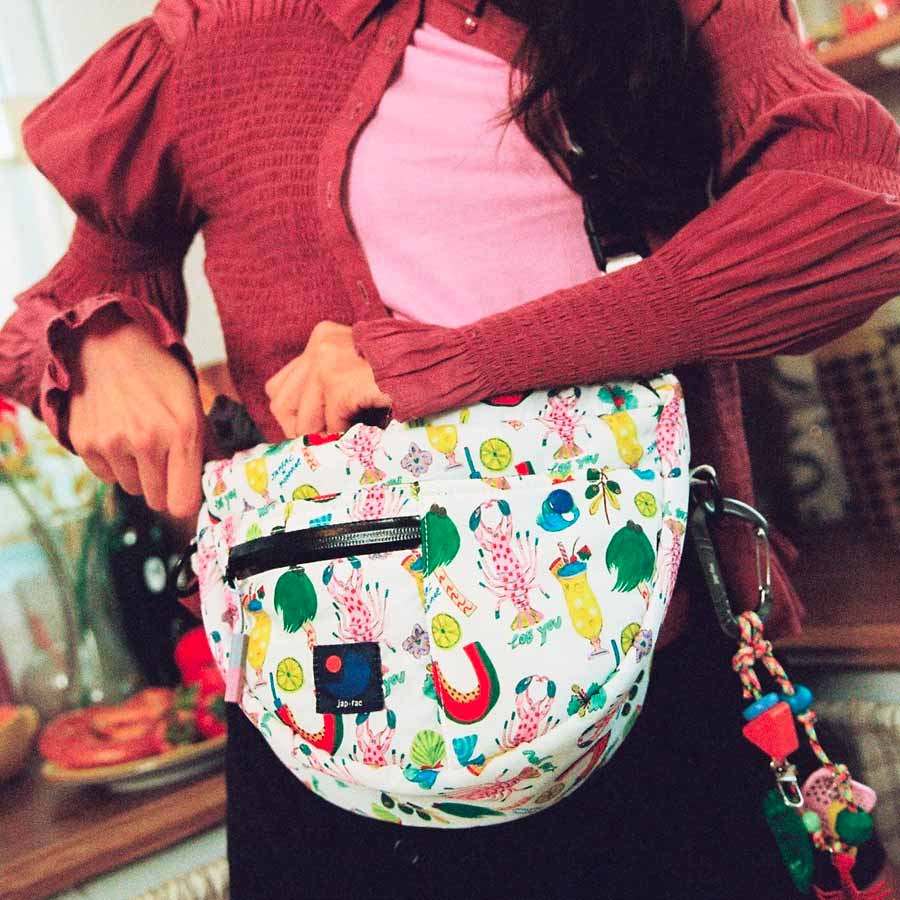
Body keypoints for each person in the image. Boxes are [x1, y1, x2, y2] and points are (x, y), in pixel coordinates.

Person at [2, 1, 898, 897]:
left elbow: (863, 212)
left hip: (646, 682)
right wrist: (99, 341)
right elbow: (66, 301)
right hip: (331, 725)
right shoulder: (220, 35)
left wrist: (453, 363)